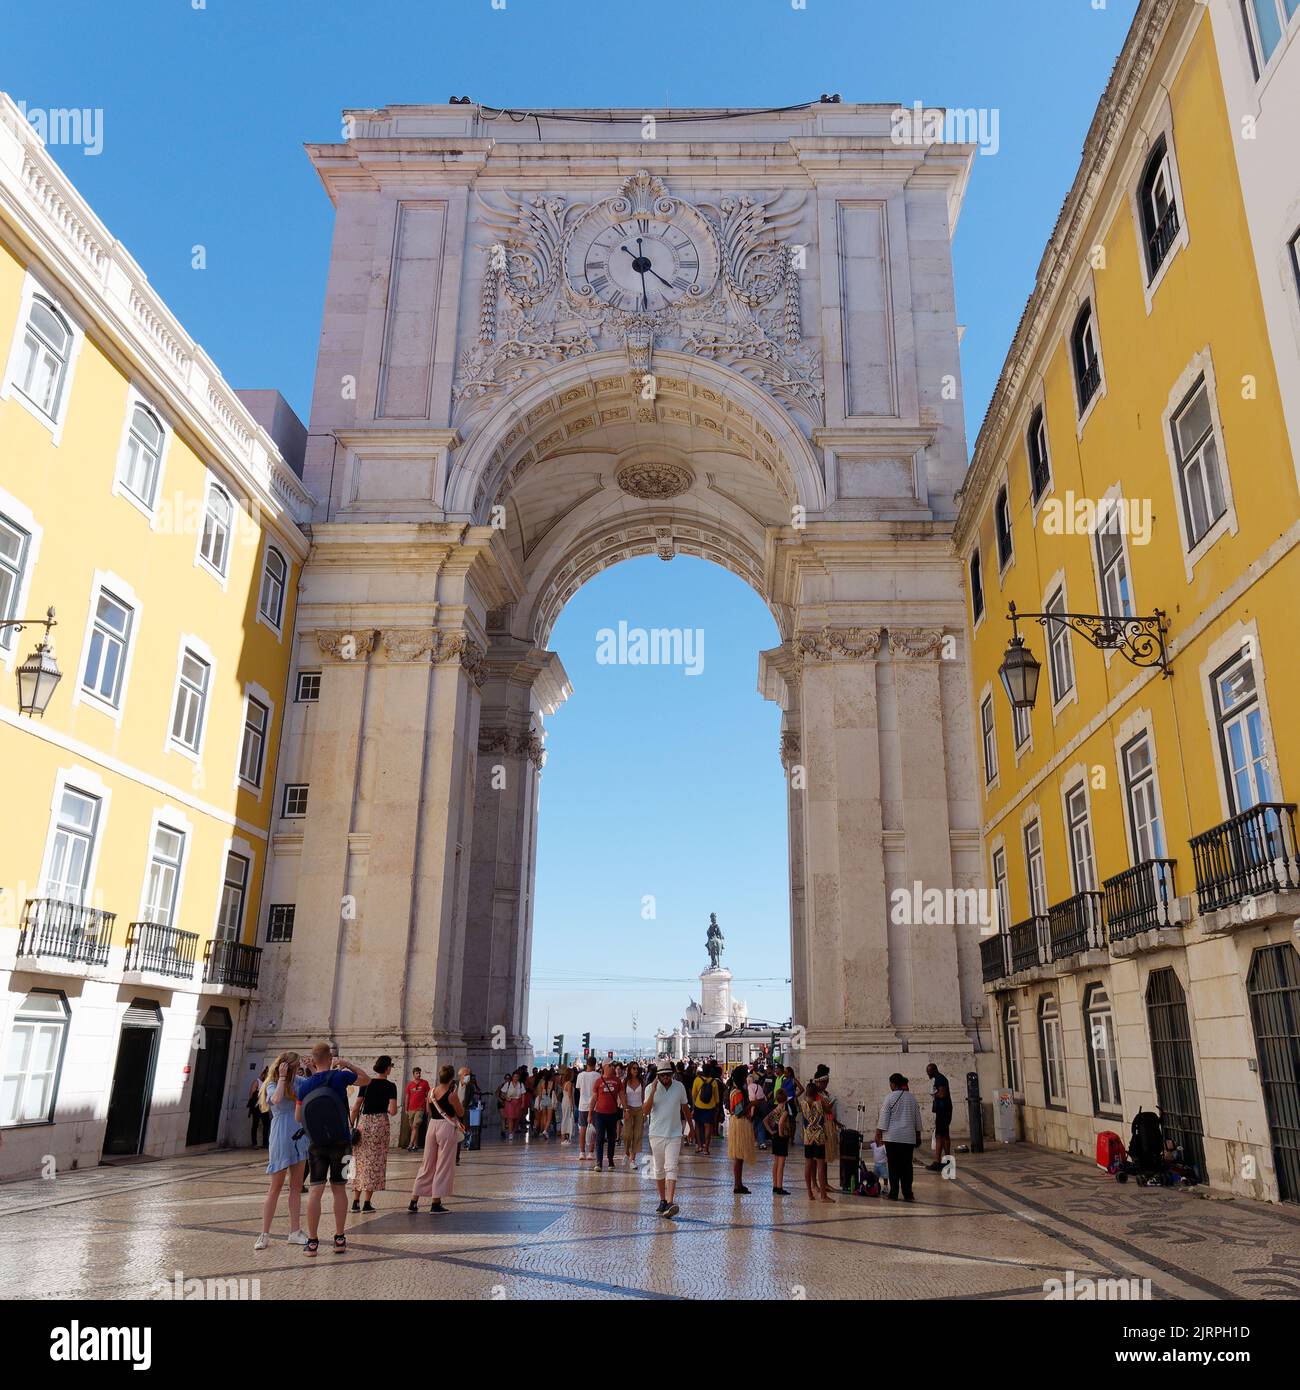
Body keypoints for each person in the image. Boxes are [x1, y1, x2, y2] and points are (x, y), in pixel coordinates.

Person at [295, 1044, 371, 1256]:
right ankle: (339, 1238)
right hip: (342, 1142)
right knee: (339, 1189)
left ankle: (312, 1242)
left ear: (313, 1059)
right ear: (330, 1057)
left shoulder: (305, 1085)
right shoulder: (340, 1077)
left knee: (316, 1190)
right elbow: (366, 1080)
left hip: (316, 1144)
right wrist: (348, 1065)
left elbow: (298, 1117)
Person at [254, 1052, 309, 1249]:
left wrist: (312, 1068)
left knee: (296, 1186)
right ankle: (264, 1233)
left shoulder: (300, 1081)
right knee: (275, 1187)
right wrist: (283, 1079)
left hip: (299, 1134)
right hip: (280, 1134)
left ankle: (295, 1231)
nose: (297, 1071)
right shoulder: (272, 1083)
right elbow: (276, 1099)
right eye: (295, 1068)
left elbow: (315, 1087)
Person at [409, 1064, 465, 1214]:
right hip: (445, 1128)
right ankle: (435, 1203)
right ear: (451, 1078)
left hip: (432, 1126)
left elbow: (428, 1111)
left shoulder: (431, 1092)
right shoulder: (452, 1094)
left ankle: (414, 1201)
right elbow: (460, 1112)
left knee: (427, 1164)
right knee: (443, 1164)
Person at [350, 1055, 398, 1212]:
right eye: (390, 1066)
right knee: (374, 1162)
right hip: (380, 1125)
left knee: (360, 1161)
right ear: (387, 1068)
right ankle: (366, 1203)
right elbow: (392, 1110)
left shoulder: (367, 1083)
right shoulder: (391, 1086)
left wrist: (350, 1124)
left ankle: (355, 1202)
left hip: (364, 1123)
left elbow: (356, 1106)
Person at [646, 1061, 691, 1218]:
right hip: (656, 1134)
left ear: (672, 1074)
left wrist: (691, 1127)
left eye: (668, 1075)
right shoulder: (649, 1088)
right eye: (662, 1075)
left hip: (674, 1133)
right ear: (658, 1076)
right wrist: (652, 1091)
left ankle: (671, 1202)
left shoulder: (679, 1087)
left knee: (671, 1166)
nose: (666, 1078)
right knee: (658, 1169)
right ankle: (663, 1200)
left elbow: (685, 1107)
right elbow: (645, 1111)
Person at [874, 1073, 922, 1203]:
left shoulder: (889, 1098)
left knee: (893, 1166)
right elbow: (917, 1118)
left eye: (890, 1084)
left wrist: (878, 1132)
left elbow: (884, 1118)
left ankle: (894, 1193)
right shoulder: (912, 1098)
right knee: (907, 1166)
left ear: (893, 1084)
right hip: (908, 1138)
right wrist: (918, 1135)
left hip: (892, 1138)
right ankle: (908, 1193)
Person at [798, 1083, 833, 1202]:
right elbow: (829, 1111)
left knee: (808, 1165)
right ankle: (823, 1195)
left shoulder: (802, 1104)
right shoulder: (820, 1103)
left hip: (808, 1138)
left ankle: (810, 1193)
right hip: (819, 1138)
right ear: (816, 1093)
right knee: (821, 1167)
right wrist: (824, 1099)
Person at [725, 1065, 755, 1195]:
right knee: (738, 1156)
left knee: (739, 1156)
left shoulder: (736, 1090)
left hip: (738, 1124)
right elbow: (738, 1112)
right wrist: (752, 1105)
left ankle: (739, 1183)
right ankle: (737, 1185)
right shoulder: (737, 1093)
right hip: (739, 1123)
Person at [590, 1063, 623, 1171]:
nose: (612, 1067)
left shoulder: (618, 1081)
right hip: (599, 1113)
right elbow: (594, 1098)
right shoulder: (598, 1081)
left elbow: (622, 1095)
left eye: (612, 1066)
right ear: (604, 1068)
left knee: (611, 1138)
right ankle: (599, 1162)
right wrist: (590, 1113)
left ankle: (610, 1160)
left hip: (612, 1114)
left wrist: (626, 1109)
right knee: (599, 1138)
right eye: (609, 1066)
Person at [762, 1086, 793, 1196]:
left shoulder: (774, 1110)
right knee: (781, 1163)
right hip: (781, 1137)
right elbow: (781, 1123)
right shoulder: (784, 1111)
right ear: (785, 1099)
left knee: (776, 1162)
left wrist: (771, 1131)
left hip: (774, 1136)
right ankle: (779, 1187)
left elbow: (765, 1120)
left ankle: (775, 1185)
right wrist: (781, 1133)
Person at [924, 1062, 953, 1172]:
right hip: (944, 1110)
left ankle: (937, 1162)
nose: (928, 1075)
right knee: (944, 1135)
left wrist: (933, 1094)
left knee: (939, 1136)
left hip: (943, 1111)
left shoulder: (940, 1079)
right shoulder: (939, 1078)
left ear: (934, 1070)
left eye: (929, 1072)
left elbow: (942, 1094)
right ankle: (948, 1161)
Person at [691, 1065, 720, 1156]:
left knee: (698, 1126)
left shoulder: (697, 1080)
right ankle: (706, 1148)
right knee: (708, 1127)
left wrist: (695, 1103)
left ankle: (699, 1146)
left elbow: (693, 1094)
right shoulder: (714, 1081)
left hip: (698, 1106)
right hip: (710, 1107)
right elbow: (717, 1099)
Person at [622, 1061, 645, 1168]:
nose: (636, 1070)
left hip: (639, 1109)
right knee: (627, 1134)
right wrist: (625, 1109)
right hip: (628, 1109)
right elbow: (623, 1096)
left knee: (637, 1134)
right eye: (634, 1068)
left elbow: (644, 1096)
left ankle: (633, 1159)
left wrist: (645, 1112)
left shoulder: (642, 1081)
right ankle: (626, 1152)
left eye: (637, 1068)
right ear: (630, 1070)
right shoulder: (625, 1081)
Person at [575, 1058, 600, 1162]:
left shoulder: (580, 1075)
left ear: (586, 1064)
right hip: (594, 1106)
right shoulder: (597, 1076)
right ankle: (590, 1152)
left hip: (582, 1105)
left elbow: (579, 1089)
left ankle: (581, 1152)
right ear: (595, 1064)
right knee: (594, 1130)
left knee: (582, 1129)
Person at [403, 1067, 430, 1152]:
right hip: (411, 1108)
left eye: (419, 1073)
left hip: (420, 1108)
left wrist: (427, 1106)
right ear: (413, 1074)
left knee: (415, 1125)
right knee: (414, 1128)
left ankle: (410, 1144)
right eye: (417, 1073)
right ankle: (416, 1145)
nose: (418, 1074)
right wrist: (406, 1108)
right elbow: (407, 1097)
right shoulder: (410, 1085)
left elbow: (429, 1094)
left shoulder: (425, 1083)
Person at [500, 1069, 527, 1140]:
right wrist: (506, 1097)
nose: (515, 1078)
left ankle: (513, 1130)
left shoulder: (521, 1084)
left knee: (517, 1117)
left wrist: (523, 1103)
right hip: (509, 1102)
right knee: (510, 1117)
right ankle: (510, 1133)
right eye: (514, 1076)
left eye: (517, 1077)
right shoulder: (508, 1084)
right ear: (512, 1077)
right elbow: (502, 1093)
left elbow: (523, 1094)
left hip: (518, 1102)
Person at [248, 1069, 271, 1147]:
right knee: (255, 1124)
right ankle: (254, 1143)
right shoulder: (257, 1082)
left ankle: (265, 1143)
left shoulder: (266, 1083)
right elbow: (251, 1094)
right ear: (263, 1074)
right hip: (257, 1106)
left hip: (264, 1106)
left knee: (266, 1124)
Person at [533, 1072, 554, 1141]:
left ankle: (543, 1130)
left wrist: (539, 1104)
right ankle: (545, 1130)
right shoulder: (552, 1083)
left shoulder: (542, 1083)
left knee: (544, 1116)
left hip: (543, 1099)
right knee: (549, 1118)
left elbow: (540, 1094)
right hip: (549, 1099)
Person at [558, 1067, 576, 1144]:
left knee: (565, 1118)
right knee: (568, 1119)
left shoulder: (564, 1083)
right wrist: (572, 1105)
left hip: (564, 1102)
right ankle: (564, 1137)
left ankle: (564, 1137)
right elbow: (570, 1095)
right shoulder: (569, 1083)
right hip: (568, 1102)